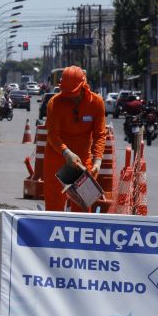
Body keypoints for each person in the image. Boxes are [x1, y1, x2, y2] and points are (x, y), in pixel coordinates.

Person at [43, 65, 106, 211]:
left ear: (84, 86)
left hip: (81, 161)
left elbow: (99, 135)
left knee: (82, 208)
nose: (70, 97)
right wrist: (66, 152)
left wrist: (98, 160)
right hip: (57, 156)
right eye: (67, 93)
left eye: (74, 93)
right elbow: (53, 134)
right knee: (54, 207)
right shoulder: (55, 103)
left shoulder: (96, 103)